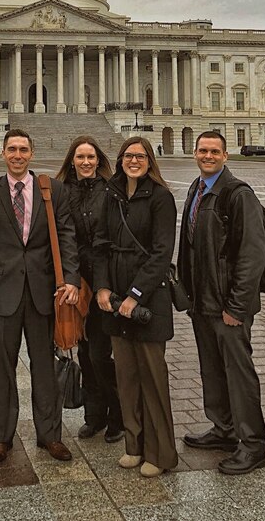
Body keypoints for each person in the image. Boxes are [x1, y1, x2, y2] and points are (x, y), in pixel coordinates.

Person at [0, 129, 79, 464]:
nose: (17, 155)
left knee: (44, 367)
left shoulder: (52, 190)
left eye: (23, 150)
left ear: (32, 153)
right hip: (3, 291)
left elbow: (67, 235)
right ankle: (2, 437)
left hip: (44, 291)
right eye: (12, 150)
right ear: (3, 153)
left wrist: (71, 279)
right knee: (3, 368)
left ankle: (50, 436)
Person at [178, 131, 265, 474]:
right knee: (212, 369)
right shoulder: (197, 189)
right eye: (203, 150)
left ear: (225, 155)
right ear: (196, 154)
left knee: (239, 374)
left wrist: (237, 306)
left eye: (214, 151)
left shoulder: (237, 193)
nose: (207, 155)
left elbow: (252, 254)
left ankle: (253, 444)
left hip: (228, 305)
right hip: (203, 302)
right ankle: (225, 429)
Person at [94, 136, 178, 478]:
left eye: (140, 156)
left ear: (149, 161)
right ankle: (134, 444)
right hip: (115, 299)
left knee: (152, 378)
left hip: (147, 301)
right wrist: (101, 286)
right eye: (128, 156)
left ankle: (161, 453)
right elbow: (100, 243)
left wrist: (135, 294)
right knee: (126, 377)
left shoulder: (161, 198)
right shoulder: (111, 196)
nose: (133, 161)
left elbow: (162, 254)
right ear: (120, 159)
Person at [56, 136, 123, 442]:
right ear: (72, 160)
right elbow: (62, 236)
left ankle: (117, 414)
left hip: (104, 282)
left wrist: (104, 283)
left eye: (91, 157)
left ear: (99, 161)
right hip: (75, 282)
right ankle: (93, 415)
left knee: (100, 353)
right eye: (80, 157)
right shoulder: (61, 191)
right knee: (83, 351)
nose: (85, 162)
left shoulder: (111, 190)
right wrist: (68, 278)